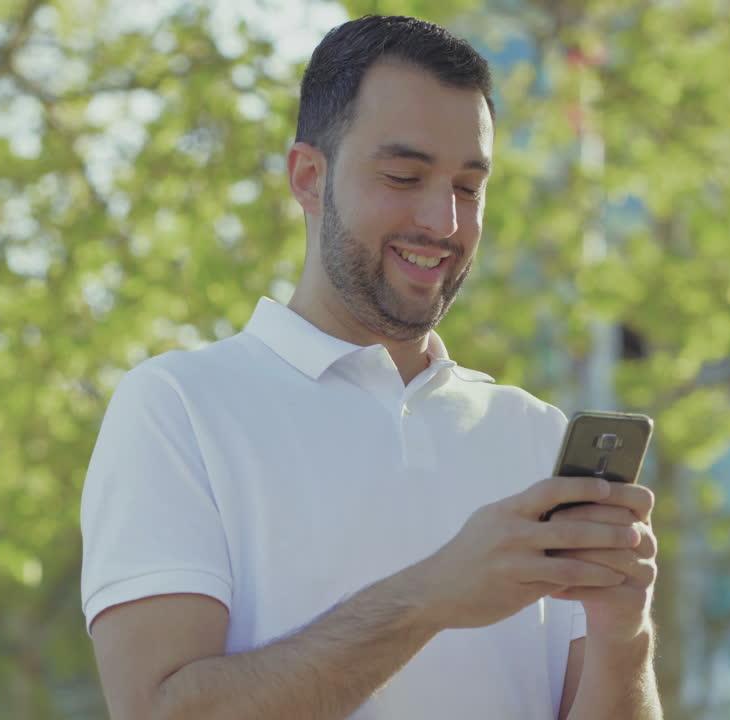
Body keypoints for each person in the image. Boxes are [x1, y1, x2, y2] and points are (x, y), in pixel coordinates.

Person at [78, 14, 662, 720]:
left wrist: (623, 634)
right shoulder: (177, 408)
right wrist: (433, 594)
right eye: (403, 176)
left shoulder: (534, 432)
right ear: (307, 177)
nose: (444, 221)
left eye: (469, 187)